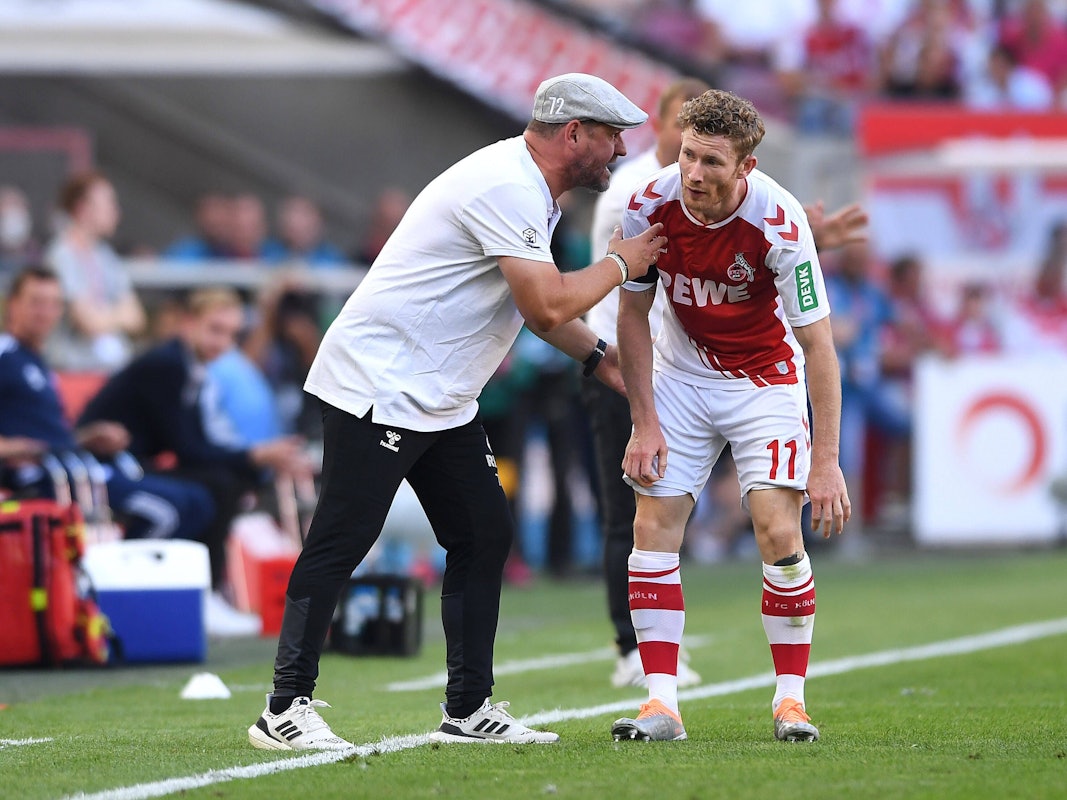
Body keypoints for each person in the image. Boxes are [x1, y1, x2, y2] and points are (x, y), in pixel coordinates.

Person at [246, 72, 667, 752]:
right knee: (342, 540)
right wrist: (620, 262)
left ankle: (467, 709)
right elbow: (544, 304)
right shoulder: (507, 184)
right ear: (572, 134)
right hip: (378, 385)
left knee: (481, 534)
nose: (620, 148)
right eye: (611, 135)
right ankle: (283, 707)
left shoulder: (525, 184)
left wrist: (598, 358)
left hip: (437, 396)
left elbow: (540, 309)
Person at [587, 78, 866, 691]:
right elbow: (631, 319)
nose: (693, 171)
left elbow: (819, 346)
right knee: (650, 528)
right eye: (688, 153)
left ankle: (790, 700)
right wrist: (645, 421)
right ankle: (660, 702)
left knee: (776, 527)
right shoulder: (645, 205)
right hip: (681, 378)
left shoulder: (781, 221)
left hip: (762, 380)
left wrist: (827, 462)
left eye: (711, 160)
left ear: (746, 166)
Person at [78, 287, 313, 635]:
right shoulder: (168, 365)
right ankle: (154, 590)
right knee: (212, 487)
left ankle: (203, 591)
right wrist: (254, 455)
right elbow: (188, 446)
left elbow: (199, 444)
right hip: (103, 467)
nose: (223, 343)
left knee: (223, 481)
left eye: (232, 334)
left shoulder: (196, 370)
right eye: (215, 330)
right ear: (188, 323)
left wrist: (258, 459)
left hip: (138, 463)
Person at [0, 266, 213, 552]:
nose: (46, 312)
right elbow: (33, 446)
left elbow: (50, 439)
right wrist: (20, 449)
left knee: (199, 501)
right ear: (13, 304)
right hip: (47, 480)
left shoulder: (38, 362)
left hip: (77, 467)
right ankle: (119, 588)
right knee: (169, 511)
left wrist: (84, 438)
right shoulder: (5, 355)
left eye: (54, 304)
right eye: (36, 302)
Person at [44, 170, 146, 373]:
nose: (116, 212)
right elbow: (88, 323)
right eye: (108, 204)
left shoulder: (106, 255)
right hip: (74, 370)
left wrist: (102, 318)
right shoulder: (61, 256)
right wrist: (117, 316)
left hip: (112, 367)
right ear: (83, 209)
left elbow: (137, 318)